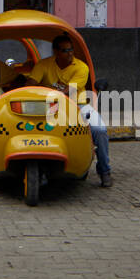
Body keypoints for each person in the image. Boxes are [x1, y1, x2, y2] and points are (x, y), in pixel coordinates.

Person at [26, 33, 113, 188]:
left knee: (99, 130)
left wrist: (45, 89)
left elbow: (68, 92)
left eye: (71, 50)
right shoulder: (44, 64)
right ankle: (39, 169)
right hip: (49, 106)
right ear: (56, 52)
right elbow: (30, 85)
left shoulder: (81, 67)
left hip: (77, 105)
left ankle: (104, 170)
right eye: (65, 50)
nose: (70, 53)